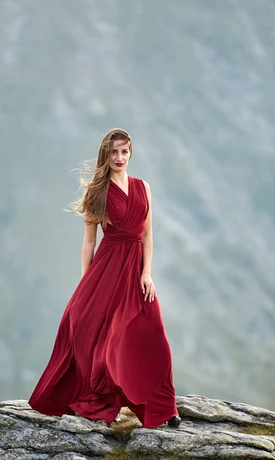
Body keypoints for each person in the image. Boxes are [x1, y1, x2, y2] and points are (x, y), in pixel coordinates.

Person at [28, 127, 181, 429]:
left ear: (130, 153)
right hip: (106, 271)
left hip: (135, 273)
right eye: (114, 152)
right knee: (104, 344)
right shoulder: (96, 192)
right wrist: (87, 284)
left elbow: (147, 234)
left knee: (154, 336)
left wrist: (146, 273)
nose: (120, 157)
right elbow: (89, 242)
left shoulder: (143, 188)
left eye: (124, 151)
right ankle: (102, 397)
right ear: (105, 155)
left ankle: (164, 408)